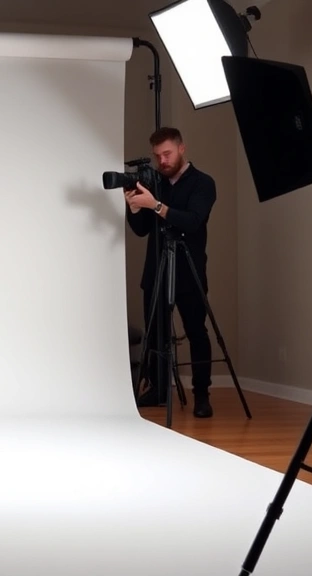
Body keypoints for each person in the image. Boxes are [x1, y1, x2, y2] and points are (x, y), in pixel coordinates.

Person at [126, 127, 216, 418]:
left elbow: (192, 221)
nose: (162, 161)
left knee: (196, 332)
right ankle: (156, 389)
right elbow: (141, 231)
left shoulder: (203, 183)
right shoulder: (156, 184)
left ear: (181, 149)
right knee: (155, 336)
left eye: (167, 154)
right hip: (156, 270)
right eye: (157, 156)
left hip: (188, 271)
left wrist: (156, 205)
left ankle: (202, 394)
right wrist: (134, 207)